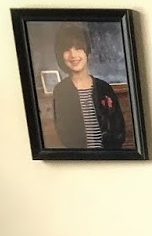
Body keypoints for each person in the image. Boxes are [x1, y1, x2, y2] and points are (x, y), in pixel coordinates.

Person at [49, 21, 126, 150]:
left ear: (87, 51)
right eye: (67, 50)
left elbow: (118, 128)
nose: (73, 55)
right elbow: (63, 131)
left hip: (109, 156)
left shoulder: (104, 88)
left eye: (78, 48)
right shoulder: (61, 91)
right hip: (80, 158)